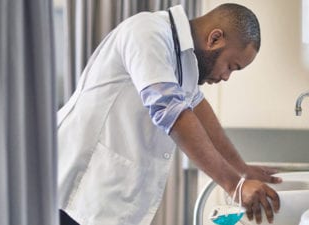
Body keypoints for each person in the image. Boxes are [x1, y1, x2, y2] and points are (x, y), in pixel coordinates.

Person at [57, 3, 281, 225]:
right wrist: (234, 185)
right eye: (231, 66)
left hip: (106, 200)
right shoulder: (147, 32)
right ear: (214, 38)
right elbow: (169, 110)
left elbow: (199, 109)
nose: (226, 77)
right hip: (77, 192)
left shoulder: (185, 62)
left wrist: (241, 169)